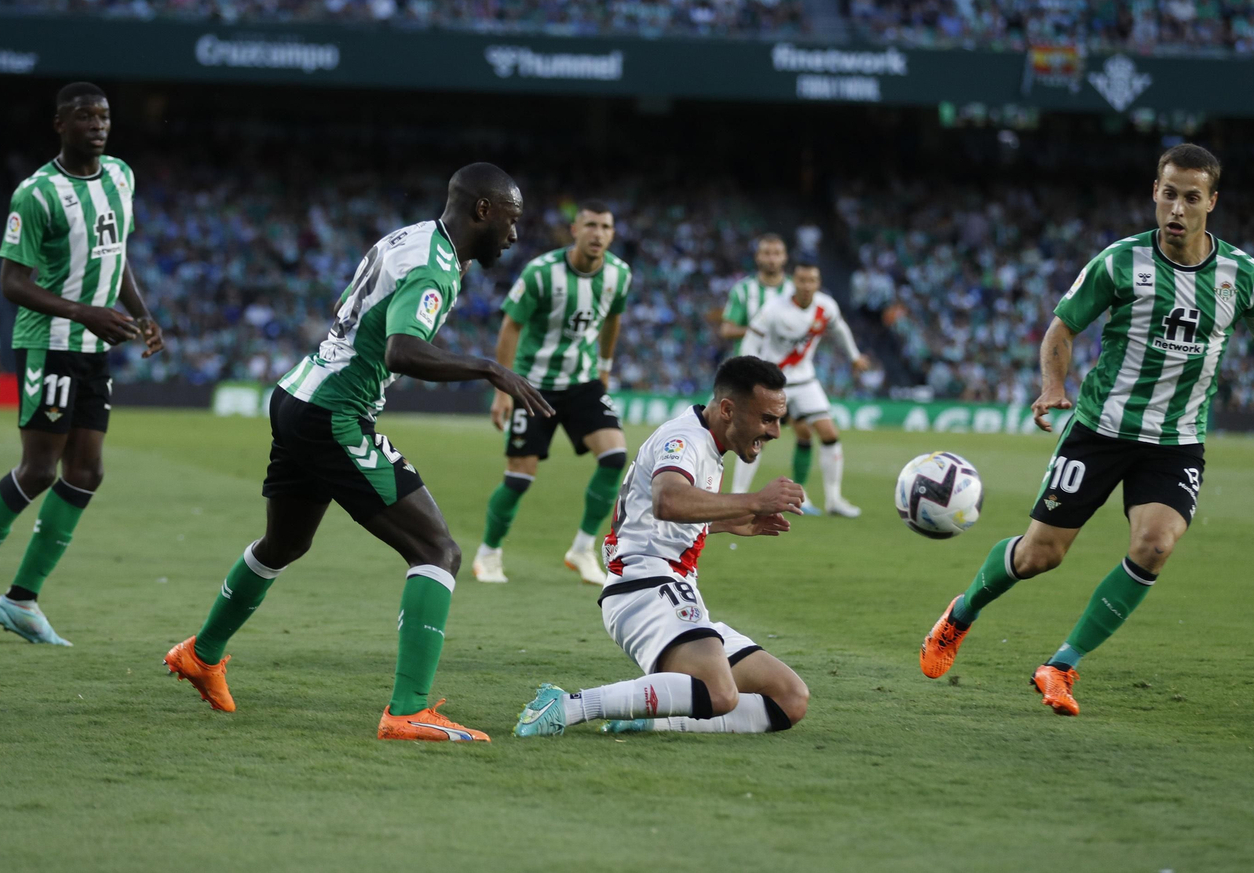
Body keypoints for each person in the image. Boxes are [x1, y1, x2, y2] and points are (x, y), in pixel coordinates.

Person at [918, 144, 1254, 715]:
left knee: (1155, 545)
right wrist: (1053, 384)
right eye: (1170, 194)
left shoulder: (1246, 277)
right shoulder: (1119, 262)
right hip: (1101, 429)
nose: (1178, 209)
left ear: (1212, 202)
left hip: (1176, 442)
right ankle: (960, 615)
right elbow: (1062, 329)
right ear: (1155, 192)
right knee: (1040, 555)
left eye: (1192, 198)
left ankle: (1060, 666)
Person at [164, 163, 551, 742]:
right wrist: (491, 369)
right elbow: (402, 351)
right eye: (511, 221)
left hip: (297, 396)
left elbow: (358, 316)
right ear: (483, 211)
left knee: (285, 543)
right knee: (438, 550)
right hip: (334, 413)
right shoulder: (434, 265)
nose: (515, 235)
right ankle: (408, 710)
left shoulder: (411, 237)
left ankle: (201, 654)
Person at [0, 82, 163, 648]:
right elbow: (12, 283)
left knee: (87, 472)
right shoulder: (36, 193)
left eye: (104, 115)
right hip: (50, 342)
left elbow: (116, 255)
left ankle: (21, 599)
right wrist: (85, 312)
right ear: (60, 124)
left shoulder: (121, 176)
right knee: (38, 470)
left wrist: (143, 314)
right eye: (84, 116)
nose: (97, 125)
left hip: (94, 346)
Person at [513, 356, 811, 737]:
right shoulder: (684, 440)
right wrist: (754, 500)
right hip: (643, 588)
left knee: (789, 698)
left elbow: (657, 521)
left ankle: (651, 718)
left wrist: (732, 522)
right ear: (727, 409)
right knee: (719, 692)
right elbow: (667, 500)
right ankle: (568, 704)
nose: (776, 432)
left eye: (779, 420)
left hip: (671, 587)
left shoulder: (707, 443)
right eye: (767, 419)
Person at [474, 201, 632, 585]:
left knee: (615, 456)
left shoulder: (619, 275)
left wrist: (604, 367)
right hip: (532, 385)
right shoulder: (541, 273)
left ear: (612, 234)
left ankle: (582, 549)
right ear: (575, 231)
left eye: (605, 227)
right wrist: (503, 390)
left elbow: (613, 318)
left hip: (582, 381)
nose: (598, 234)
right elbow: (511, 327)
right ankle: (488, 553)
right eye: (590, 225)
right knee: (520, 477)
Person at [738, 259, 871, 517]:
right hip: (774, 381)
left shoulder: (825, 306)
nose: (807, 285)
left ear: (818, 282)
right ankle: (738, 496)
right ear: (793, 281)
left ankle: (833, 500)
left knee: (828, 433)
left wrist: (854, 357)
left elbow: (840, 329)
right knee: (759, 439)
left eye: (812, 280)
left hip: (805, 380)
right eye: (802, 280)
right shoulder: (775, 309)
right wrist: (748, 373)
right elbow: (751, 340)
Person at [719, 234, 822, 509]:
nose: (772, 258)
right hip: (754, 375)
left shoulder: (795, 290)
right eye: (766, 253)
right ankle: (737, 494)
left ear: (785, 258)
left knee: (804, 432)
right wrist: (761, 329)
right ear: (758, 257)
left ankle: (801, 495)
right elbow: (727, 329)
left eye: (777, 253)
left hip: (790, 376)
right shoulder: (743, 290)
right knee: (752, 434)